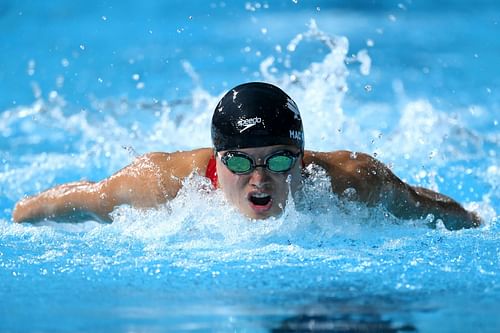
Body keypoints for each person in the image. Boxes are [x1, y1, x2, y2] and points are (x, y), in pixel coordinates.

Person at [12, 82, 481, 230]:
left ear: (301, 161)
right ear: (219, 162)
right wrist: (19, 214)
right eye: (239, 162)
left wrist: (478, 221)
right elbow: (87, 198)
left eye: (278, 161)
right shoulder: (163, 182)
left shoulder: (352, 180)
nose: (260, 180)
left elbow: (425, 207)